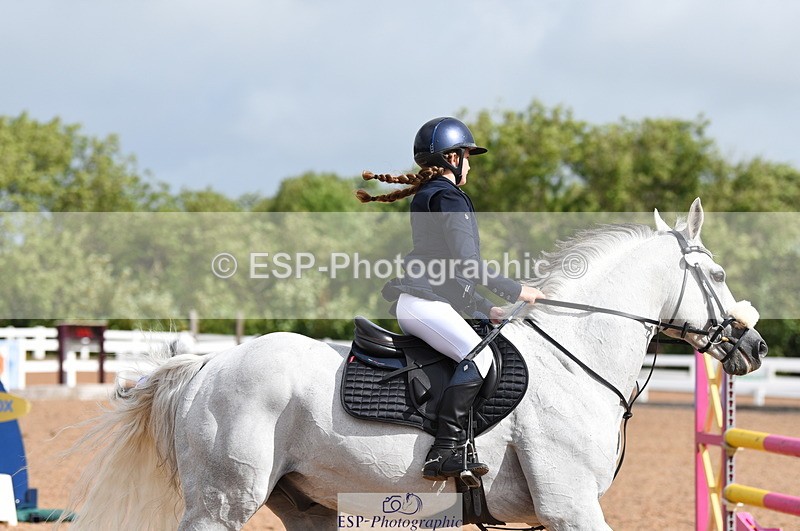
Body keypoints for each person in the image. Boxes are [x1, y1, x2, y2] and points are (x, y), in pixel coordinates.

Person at [356, 116, 543, 481]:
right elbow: (468, 266)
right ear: (453, 158)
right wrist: (517, 290)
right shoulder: (448, 196)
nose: (470, 164)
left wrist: (483, 308)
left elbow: (446, 272)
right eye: (468, 156)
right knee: (481, 356)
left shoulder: (432, 195)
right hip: (423, 304)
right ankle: (445, 449)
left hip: (429, 300)